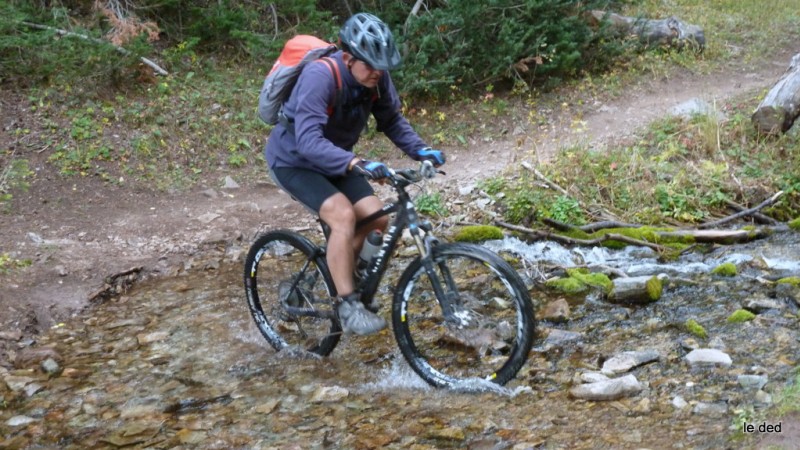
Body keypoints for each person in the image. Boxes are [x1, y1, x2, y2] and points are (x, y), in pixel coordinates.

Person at [264, 13, 445, 336]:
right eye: (370, 64)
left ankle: (343, 271)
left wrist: (421, 150)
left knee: (377, 217)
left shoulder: (376, 79)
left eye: (382, 65)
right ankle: (347, 304)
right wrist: (356, 163)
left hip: (339, 160)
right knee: (343, 216)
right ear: (348, 58)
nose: (378, 71)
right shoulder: (321, 77)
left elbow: (391, 121)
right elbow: (307, 141)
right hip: (294, 161)